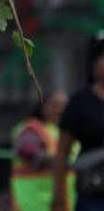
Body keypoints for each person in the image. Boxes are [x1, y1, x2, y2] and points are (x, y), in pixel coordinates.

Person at [55, 39, 104, 211]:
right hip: (93, 193)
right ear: (94, 64)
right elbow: (62, 152)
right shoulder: (79, 103)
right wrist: (59, 198)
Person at [11, 91, 77, 210]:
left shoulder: (69, 131)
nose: (61, 110)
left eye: (65, 106)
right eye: (56, 105)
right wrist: (46, 159)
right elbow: (27, 148)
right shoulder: (32, 128)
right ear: (43, 106)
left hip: (66, 202)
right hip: (35, 203)